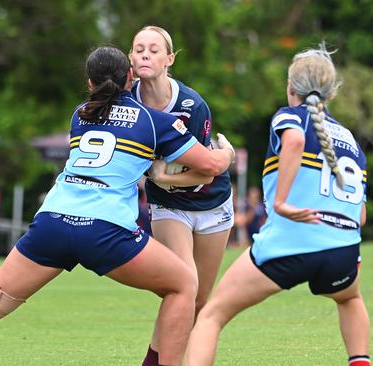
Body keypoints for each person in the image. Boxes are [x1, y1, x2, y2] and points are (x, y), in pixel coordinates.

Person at [0, 46, 235, 366]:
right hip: (104, 229)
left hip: (53, 223)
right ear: (131, 77)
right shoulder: (153, 121)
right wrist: (226, 153)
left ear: (89, 82)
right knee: (184, 285)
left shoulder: (79, 116)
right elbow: (209, 166)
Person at [186, 45, 372, 366]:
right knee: (350, 298)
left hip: (290, 243)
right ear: (330, 93)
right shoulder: (350, 141)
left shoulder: (290, 116)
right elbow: (362, 214)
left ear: (291, 87)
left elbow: (295, 141)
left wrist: (283, 202)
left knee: (211, 315)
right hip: (342, 247)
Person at [129, 25, 234, 366]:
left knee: (200, 300)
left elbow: (208, 169)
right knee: (183, 287)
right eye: (139, 48)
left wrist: (163, 175)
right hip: (169, 206)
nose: (145, 54)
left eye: (154, 49)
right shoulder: (126, 103)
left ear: (169, 59)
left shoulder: (192, 104)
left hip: (213, 203)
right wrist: (162, 181)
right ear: (131, 58)